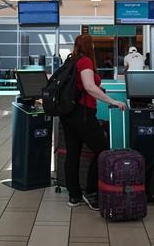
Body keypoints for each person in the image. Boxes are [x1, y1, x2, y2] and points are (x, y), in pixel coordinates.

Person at [61, 34, 126, 210]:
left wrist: (98, 88)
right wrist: (113, 101)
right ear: (90, 46)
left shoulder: (72, 60)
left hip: (69, 113)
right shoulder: (86, 61)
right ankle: (91, 192)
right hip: (82, 114)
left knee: (73, 153)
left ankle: (74, 196)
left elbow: (82, 85)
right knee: (102, 150)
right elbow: (89, 87)